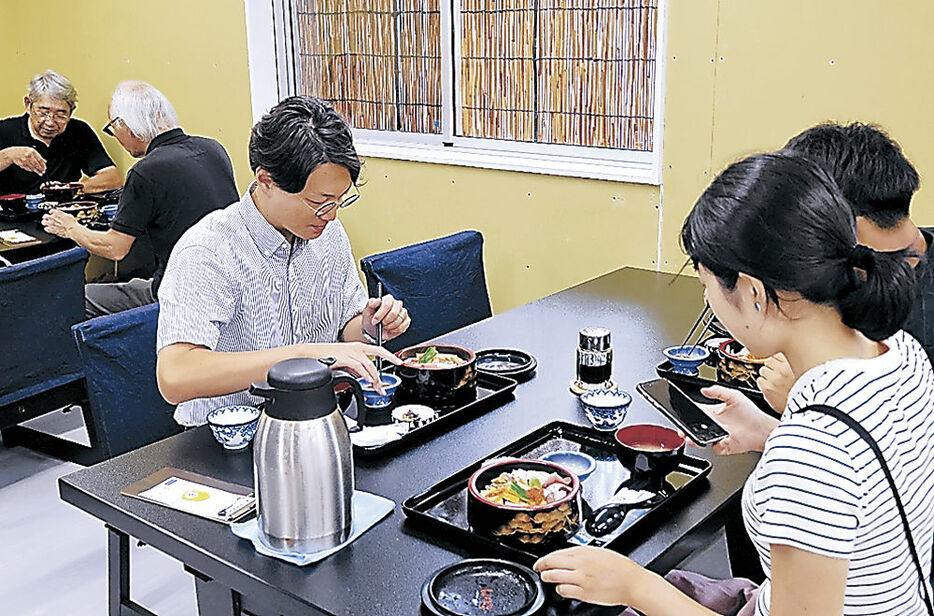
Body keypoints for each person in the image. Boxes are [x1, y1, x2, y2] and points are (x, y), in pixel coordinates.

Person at [535, 153, 934, 615]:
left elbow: (822, 469)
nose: (707, 300)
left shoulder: (810, 457)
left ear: (752, 292)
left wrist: (634, 585)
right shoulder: (901, 352)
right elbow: (869, 476)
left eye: (707, 285)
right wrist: (770, 432)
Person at [156, 96, 409, 427]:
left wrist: (368, 328)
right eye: (320, 202)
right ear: (266, 180)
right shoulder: (209, 251)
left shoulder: (326, 233)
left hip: (317, 420)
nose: (331, 215)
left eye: (339, 200)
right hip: (230, 439)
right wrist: (301, 355)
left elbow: (346, 328)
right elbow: (175, 376)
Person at [756, 122, 931, 412]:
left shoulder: (914, 335)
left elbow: (907, 444)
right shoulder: (851, 271)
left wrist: (804, 401)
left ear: (847, 228)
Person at [42, 81, 239, 317]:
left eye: (112, 128)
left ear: (125, 125)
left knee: (75, 298)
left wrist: (70, 228)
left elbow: (115, 249)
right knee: (124, 280)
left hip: (178, 293)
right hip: (228, 282)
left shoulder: (146, 171)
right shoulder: (213, 148)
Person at [0, 70, 121, 195]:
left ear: (71, 112)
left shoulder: (79, 131)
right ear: (28, 104)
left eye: (60, 115)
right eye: (43, 112)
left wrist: (70, 189)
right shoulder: (4, 130)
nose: (50, 122)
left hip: (63, 211)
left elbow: (113, 178)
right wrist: (8, 156)